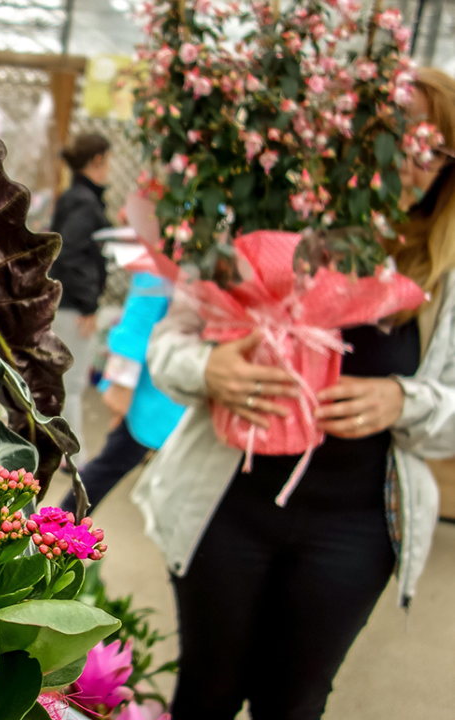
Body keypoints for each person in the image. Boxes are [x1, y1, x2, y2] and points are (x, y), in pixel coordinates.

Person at [132, 67, 455, 719]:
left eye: (432, 147)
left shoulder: (443, 272)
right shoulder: (271, 231)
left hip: (354, 526)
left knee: (294, 701)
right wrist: (211, 367)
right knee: (207, 688)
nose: (407, 159)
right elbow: (167, 348)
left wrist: (404, 401)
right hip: (229, 506)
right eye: (394, 135)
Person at [61, 271, 184, 515]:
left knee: (116, 462)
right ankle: (59, 527)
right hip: (150, 395)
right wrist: (121, 384)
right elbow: (137, 320)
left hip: (171, 395)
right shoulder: (163, 265)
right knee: (113, 461)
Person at [49, 133, 112, 462]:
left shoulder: (75, 198)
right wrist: (88, 302)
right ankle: (73, 458)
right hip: (73, 307)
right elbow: (69, 254)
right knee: (70, 385)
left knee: (58, 382)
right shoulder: (85, 204)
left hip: (66, 303)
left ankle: (60, 451)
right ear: (98, 159)